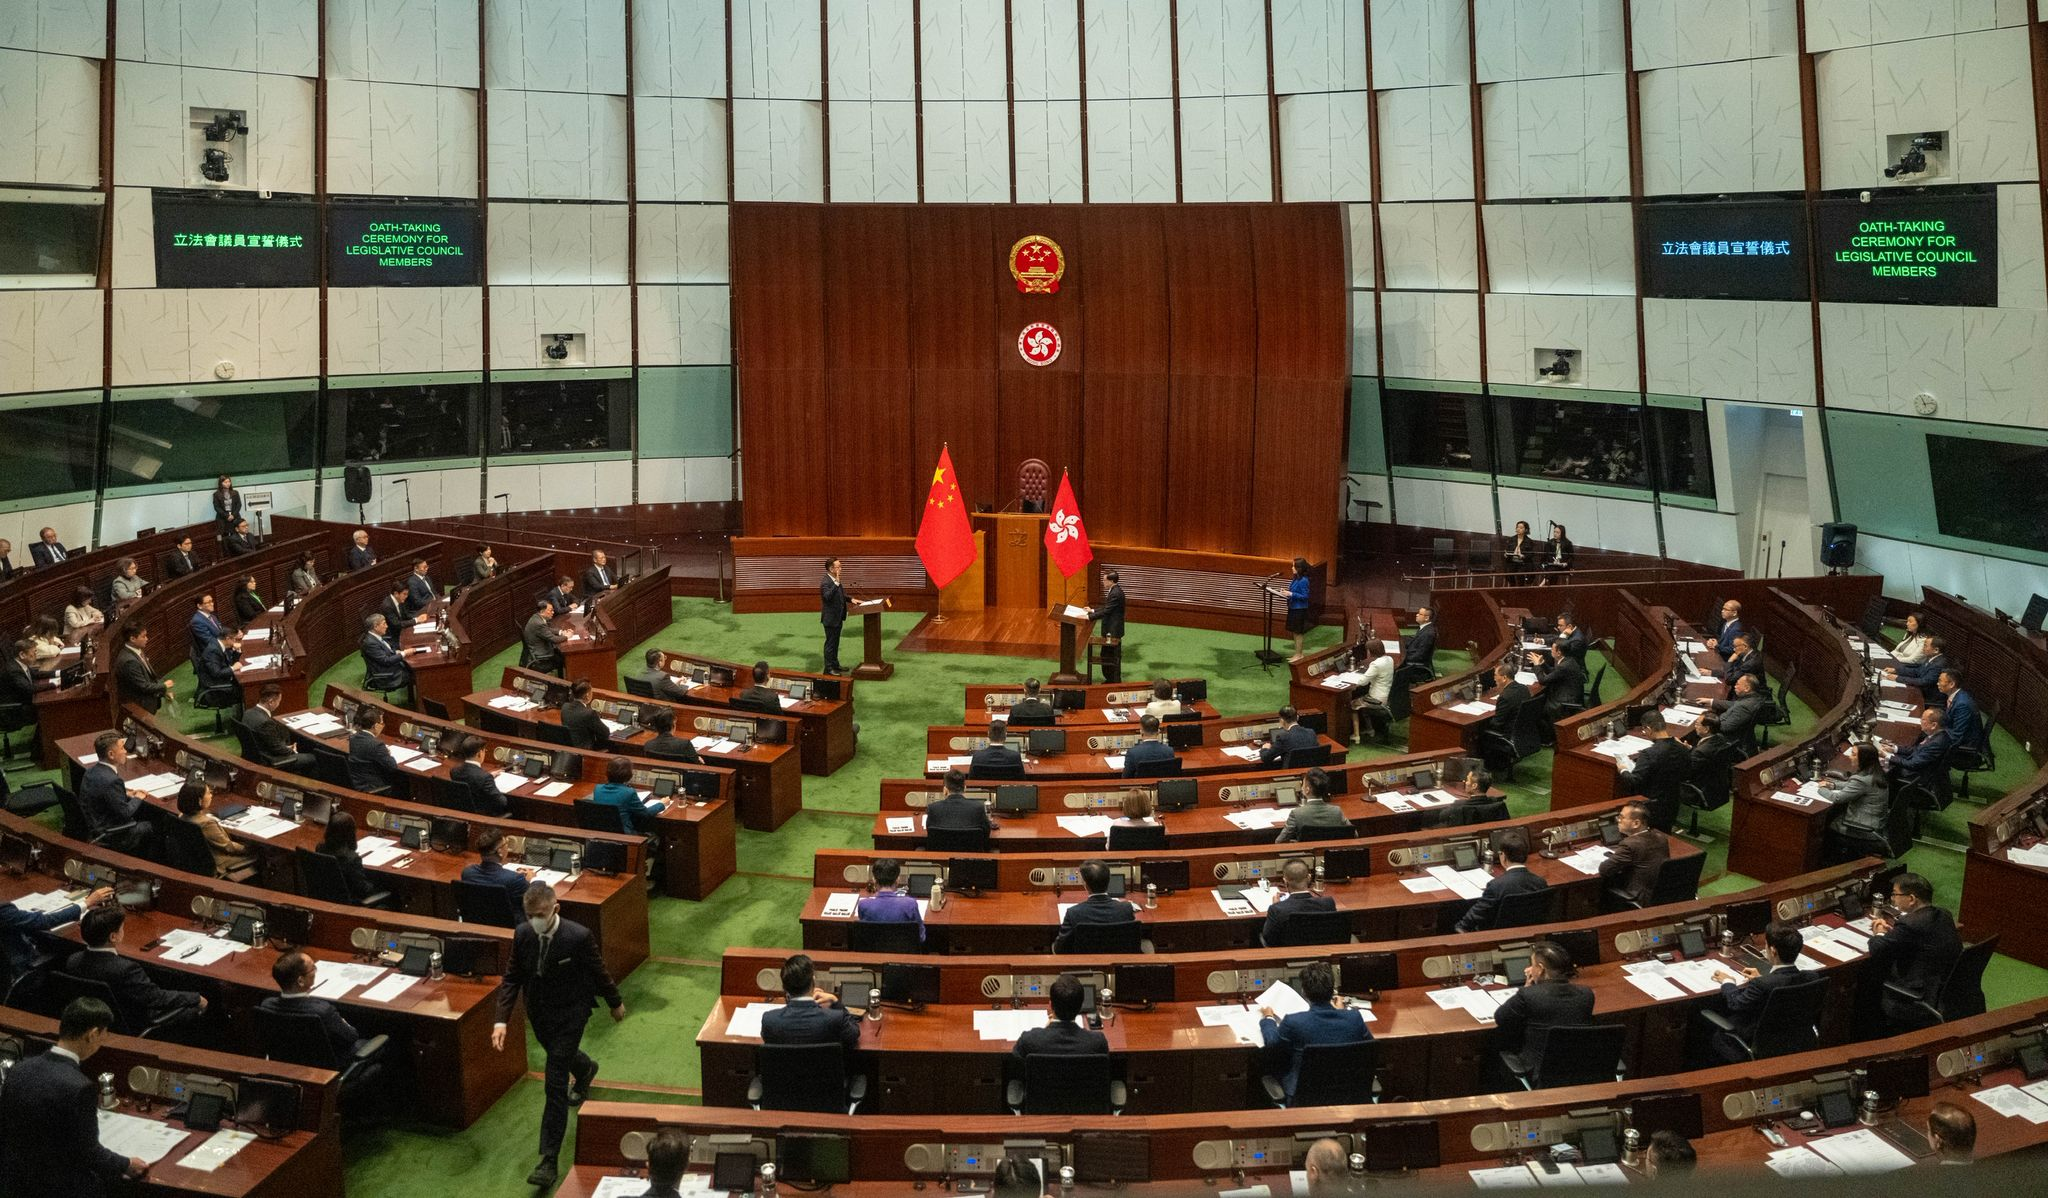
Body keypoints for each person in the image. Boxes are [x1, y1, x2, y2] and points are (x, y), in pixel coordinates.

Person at [492, 883, 626, 1189]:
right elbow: (512, 977)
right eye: (529, 915)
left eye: (539, 914)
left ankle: (548, 1160)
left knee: (554, 1084)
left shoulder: (578, 936)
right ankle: (585, 1068)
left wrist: (614, 1001)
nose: (534, 920)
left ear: (556, 908)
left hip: (571, 1014)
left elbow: (598, 970)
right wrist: (501, 1021)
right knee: (561, 1058)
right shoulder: (523, 934)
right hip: (539, 1014)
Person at [0, 997, 148, 1196]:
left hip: (16, 1185)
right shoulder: (80, 1087)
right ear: (93, 1034)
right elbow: (89, 1153)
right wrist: (127, 1164)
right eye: (104, 1034)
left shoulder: (19, 1070)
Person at [259, 950, 390, 1102]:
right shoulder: (322, 1011)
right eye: (313, 968)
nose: (315, 971)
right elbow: (351, 1037)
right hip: (328, 1071)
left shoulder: (266, 1005)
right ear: (300, 981)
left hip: (289, 1067)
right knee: (384, 1044)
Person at [66, 905, 207, 1027]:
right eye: (122, 928)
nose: (124, 931)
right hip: (133, 1023)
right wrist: (196, 998)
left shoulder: (73, 960)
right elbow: (157, 998)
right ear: (113, 937)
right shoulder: (126, 969)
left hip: (97, 1020)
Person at [1258, 960, 1370, 1102]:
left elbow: (1272, 1044)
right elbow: (1369, 1049)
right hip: (1348, 1095)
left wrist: (1268, 1018)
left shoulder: (1294, 1022)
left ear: (1304, 992)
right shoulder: (1354, 1018)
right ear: (1333, 991)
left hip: (1304, 1098)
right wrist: (1341, 1013)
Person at [1868, 872, 1963, 1032]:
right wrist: (1896, 934)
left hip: (1915, 995)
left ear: (1911, 899)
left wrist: (1879, 931)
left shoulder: (1910, 924)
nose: (1892, 899)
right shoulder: (1944, 914)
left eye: (1895, 895)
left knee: (1868, 978)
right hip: (1943, 989)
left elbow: (1878, 948)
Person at [1703, 921, 1806, 1063]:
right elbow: (1779, 983)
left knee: (1712, 1030)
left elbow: (1735, 1004)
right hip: (1793, 1037)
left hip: (1758, 1038)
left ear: (1773, 951)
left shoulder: (1763, 984)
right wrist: (1762, 978)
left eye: (1766, 946)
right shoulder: (1809, 977)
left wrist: (1728, 981)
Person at [1494, 941, 1595, 1074]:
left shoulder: (1529, 995)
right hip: (1581, 1070)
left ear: (1541, 969)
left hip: (1541, 1072)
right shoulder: (1586, 994)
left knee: (1495, 1043)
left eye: (1533, 965)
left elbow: (1500, 1017)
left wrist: (1527, 988)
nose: (1530, 969)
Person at [0, 885, 111, 988]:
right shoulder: (3, 912)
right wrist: (87, 902)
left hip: (10, 962)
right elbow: (46, 921)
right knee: (68, 952)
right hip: (19, 969)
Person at [76, 731, 158, 859]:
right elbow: (126, 813)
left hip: (94, 824)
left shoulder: (91, 772)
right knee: (154, 824)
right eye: (121, 748)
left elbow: (103, 793)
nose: (125, 751)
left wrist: (126, 793)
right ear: (111, 754)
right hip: (112, 834)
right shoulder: (112, 780)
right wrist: (138, 797)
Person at [1454, 828, 1549, 933]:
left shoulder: (1496, 886)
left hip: (1496, 939)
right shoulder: (1541, 883)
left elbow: (1467, 923)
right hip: (1529, 936)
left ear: (1503, 856)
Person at [761, 953, 857, 1050]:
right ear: (813, 981)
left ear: (784, 987)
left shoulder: (769, 1020)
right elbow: (853, 1035)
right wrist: (836, 1001)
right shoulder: (835, 1018)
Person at [1618, 712, 1691, 832]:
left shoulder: (1649, 753)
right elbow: (1686, 774)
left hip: (1650, 806)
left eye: (1644, 730)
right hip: (1673, 803)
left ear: (1648, 729)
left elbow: (1634, 780)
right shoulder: (1683, 748)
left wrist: (1623, 769)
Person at [1013, 972, 1108, 1060]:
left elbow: (1016, 1057)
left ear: (1050, 1005)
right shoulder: (1098, 1042)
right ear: (1080, 1006)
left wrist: (1046, 1030)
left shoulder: (1029, 1039)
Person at [1597, 801, 1669, 906]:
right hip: (1659, 894)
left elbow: (1604, 869)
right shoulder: (1661, 837)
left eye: (1621, 817)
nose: (1618, 820)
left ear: (1636, 823)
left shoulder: (1629, 844)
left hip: (1639, 897)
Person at [178, 778, 254, 877]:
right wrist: (250, 847)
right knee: (261, 855)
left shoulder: (181, 817)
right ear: (200, 800)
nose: (211, 795)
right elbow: (228, 847)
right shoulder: (207, 823)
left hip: (194, 862)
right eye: (209, 793)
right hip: (219, 863)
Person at [1822, 743, 1890, 853]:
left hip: (1862, 828)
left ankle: (1831, 860)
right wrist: (1833, 785)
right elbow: (1854, 786)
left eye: (1853, 755)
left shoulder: (1861, 780)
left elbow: (1837, 798)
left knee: (1825, 824)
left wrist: (1820, 788)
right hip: (1876, 823)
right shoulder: (1876, 772)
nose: (1850, 757)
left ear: (1863, 759)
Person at [1054, 861, 1135, 951]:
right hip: (1119, 960)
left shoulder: (1073, 913)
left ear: (1086, 885)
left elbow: (1060, 949)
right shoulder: (1126, 908)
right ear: (1109, 881)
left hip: (1086, 962)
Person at [1259, 857, 1337, 947]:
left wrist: (1277, 905)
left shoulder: (1277, 909)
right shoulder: (1328, 903)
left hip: (1288, 956)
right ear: (1309, 878)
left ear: (1285, 881)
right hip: (1322, 954)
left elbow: (1268, 938)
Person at [1885, 707, 1953, 805]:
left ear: (1934, 725)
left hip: (1915, 777)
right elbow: (1917, 750)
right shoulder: (1938, 735)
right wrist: (1894, 748)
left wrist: (1887, 755)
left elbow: (1912, 764)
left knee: (1882, 771)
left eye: (1923, 719)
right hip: (1919, 769)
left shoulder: (1937, 743)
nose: (1920, 721)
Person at [241, 682, 315, 773]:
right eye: (278, 701)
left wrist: (285, 747)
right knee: (312, 758)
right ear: (271, 702)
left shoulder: (248, 713)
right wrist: (292, 750)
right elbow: (277, 750)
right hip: (269, 759)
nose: (279, 704)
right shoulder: (266, 723)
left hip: (256, 753)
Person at [591, 756, 666, 833]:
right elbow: (645, 814)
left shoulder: (597, 789)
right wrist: (661, 804)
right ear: (629, 775)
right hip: (624, 836)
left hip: (601, 833)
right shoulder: (629, 793)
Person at [319, 811, 380, 905]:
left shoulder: (320, 848)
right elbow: (363, 890)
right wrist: (380, 885)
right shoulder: (351, 859)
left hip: (325, 897)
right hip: (351, 903)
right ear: (351, 833)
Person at [856, 858, 925, 941]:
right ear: (897, 880)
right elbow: (921, 937)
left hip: (873, 952)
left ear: (874, 881)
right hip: (903, 952)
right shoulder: (910, 904)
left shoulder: (863, 905)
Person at [1276, 767, 1350, 842]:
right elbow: (1353, 834)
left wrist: (1296, 843)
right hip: (1330, 851)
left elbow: (1279, 841)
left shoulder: (1296, 814)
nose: (1302, 788)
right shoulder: (1337, 811)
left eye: (1303, 784)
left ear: (1307, 790)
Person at [443, 733, 510, 815]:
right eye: (484, 751)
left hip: (464, 810)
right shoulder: (484, 777)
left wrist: (490, 776)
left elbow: (473, 779)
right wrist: (489, 779)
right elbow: (502, 802)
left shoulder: (455, 771)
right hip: (483, 814)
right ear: (479, 753)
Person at [462, 827, 532, 905]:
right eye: (506, 844)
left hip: (475, 916)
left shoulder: (468, 873)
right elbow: (531, 900)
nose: (507, 847)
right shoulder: (516, 879)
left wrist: (513, 875)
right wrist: (528, 880)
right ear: (500, 852)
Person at [111, 624, 170, 714]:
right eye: (143, 636)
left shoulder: (136, 650)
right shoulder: (129, 661)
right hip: (140, 708)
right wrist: (164, 686)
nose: (147, 639)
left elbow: (150, 676)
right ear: (132, 639)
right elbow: (143, 686)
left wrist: (162, 692)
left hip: (147, 703)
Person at [346, 705, 402, 794]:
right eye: (382, 723)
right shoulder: (377, 745)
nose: (383, 726)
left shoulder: (353, 738)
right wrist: (388, 754)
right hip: (373, 787)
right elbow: (392, 767)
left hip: (357, 783)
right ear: (375, 726)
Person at [1489, 661, 1539, 757]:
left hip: (1509, 734)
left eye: (1495, 675)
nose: (1494, 678)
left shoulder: (1504, 697)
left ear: (1504, 678)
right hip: (1523, 732)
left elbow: (1497, 724)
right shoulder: (1524, 688)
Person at [1711, 672, 1770, 754]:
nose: (1735, 686)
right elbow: (1734, 704)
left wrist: (1709, 721)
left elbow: (1726, 727)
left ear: (1747, 688)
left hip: (1728, 741)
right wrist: (1711, 702)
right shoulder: (1754, 698)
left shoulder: (1744, 707)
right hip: (1742, 738)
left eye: (1738, 684)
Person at [926, 770, 994, 834]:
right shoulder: (978, 808)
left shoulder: (933, 808)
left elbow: (929, 832)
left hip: (940, 846)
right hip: (971, 846)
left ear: (945, 790)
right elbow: (986, 833)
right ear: (965, 788)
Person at [1351, 649, 1397, 743]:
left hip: (1376, 700)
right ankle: (1370, 730)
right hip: (1387, 696)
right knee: (1362, 699)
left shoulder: (1375, 664)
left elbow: (1362, 682)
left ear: (1371, 652)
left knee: (1353, 704)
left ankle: (1356, 736)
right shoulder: (1390, 659)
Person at [1089, 568, 1127, 682]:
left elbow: (1107, 611)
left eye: (1104, 580)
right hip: (1110, 630)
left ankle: (1113, 680)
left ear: (1111, 581)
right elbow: (1107, 607)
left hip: (1113, 631)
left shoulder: (1116, 593)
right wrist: (1093, 610)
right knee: (1106, 655)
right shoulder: (1114, 590)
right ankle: (1110, 679)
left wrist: (1088, 617)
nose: (1103, 582)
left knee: (1110, 656)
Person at [1888, 636, 1951, 703]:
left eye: (1925, 646)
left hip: (1928, 698)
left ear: (1936, 650)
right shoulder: (1931, 658)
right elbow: (1917, 671)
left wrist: (1898, 678)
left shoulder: (1938, 664)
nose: (1923, 649)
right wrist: (1896, 670)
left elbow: (1923, 682)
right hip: (1919, 691)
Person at [1537, 640, 1587, 721]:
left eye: (1552, 649)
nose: (1551, 650)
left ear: (1559, 652)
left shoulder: (1563, 666)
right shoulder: (1569, 660)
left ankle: (1547, 730)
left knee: (1540, 704)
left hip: (1565, 701)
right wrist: (1542, 663)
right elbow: (1554, 672)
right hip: (1571, 694)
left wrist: (1536, 666)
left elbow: (1543, 681)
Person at [359, 614, 412, 690]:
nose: (386, 626)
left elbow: (386, 649)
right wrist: (404, 653)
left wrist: (395, 652)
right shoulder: (370, 643)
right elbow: (386, 661)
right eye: (384, 624)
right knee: (416, 673)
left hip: (392, 667)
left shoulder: (375, 636)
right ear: (376, 627)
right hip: (389, 676)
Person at [1935, 667, 1982, 750]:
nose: (1937, 684)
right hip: (1952, 731)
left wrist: (1935, 733)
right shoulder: (1956, 695)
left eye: (1940, 681)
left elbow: (1957, 734)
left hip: (1965, 743)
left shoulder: (1962, 705)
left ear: (1951, 684)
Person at [559, 678, 611, 750]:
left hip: (570, 750)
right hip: (586, 751)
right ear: (587, 695)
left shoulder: (565, 707)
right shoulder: (589, 713)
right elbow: (605, 733)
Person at [819, 555, 850, 675]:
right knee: (830, 644)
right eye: (839, 567)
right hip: (830, 619)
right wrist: (836, 583)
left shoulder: (835, 580)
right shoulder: (825, 582)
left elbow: (841, 594)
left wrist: (851, 599)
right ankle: (828, 668)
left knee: (836, 642)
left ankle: (835, 665)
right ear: (832, 569)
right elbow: (827, 597)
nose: (841, 568)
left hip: (838, 617)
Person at [628, 648, 692, 702]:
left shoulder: (640, 673)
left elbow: (660, 686)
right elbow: (680, 693)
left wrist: (678, 681)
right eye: (664, 657)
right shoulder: (662, 676)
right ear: (659, 662)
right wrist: (684, 685)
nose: (665, 659)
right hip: (664, 708)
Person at [194, 625, 242, 697]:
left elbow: (229, 661)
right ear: (228, 638)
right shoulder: (213, 651)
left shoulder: (219, 644)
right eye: (234, 639)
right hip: (217, 685)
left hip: (222, 678)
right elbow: (216, 673)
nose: (235, 641)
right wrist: (233, 668)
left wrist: (237, 651)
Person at [524, 599, 567, 675]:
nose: (553, 612)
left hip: (537, 648)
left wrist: (560, 632)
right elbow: (554, 639)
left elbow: (547, 629)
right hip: (543, 655)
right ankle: (562, 682)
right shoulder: (539, 624)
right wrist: (566, 636)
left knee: (561, 653)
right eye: (550, 610)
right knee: (565, 659)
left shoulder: (536, 617)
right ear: (542, 611)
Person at [1284, 556, 1313, 661]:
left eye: (1293, 566)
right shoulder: (1296, 578)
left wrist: (1291, 594)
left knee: (1298, 632)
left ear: (1299, 568)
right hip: (1293, 607)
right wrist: (1286, 593)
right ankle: (1297, 654)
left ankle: (1299, 654)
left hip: (1299, 609)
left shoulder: (1304, 580)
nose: (1292, 568)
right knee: (1295, 632)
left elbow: (1305, 596)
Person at [1404, 605, 1438, 673]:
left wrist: (1403, 658)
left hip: (1414, 663)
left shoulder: (1428, 634)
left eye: (1419, 614)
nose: (1417, 615)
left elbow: (1420, 655)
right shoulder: (1425, 628)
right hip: (1411, 654)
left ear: (1426, 618)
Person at [188, 591, 223, 655]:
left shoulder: (212, 615)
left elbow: (221, 631)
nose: (212, 604)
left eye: (212, 601)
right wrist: (227, 643)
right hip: (213, 653)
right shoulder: (197, 621)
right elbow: (209, 640)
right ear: (199, 606)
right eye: (208, 602)